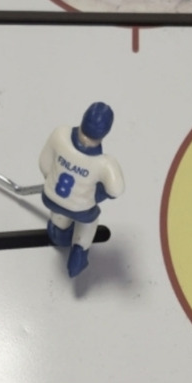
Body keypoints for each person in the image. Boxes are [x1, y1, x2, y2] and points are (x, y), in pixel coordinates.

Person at [39, 102, 124, 278]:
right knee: (89, 222)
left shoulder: (60, 134)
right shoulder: (104, 163)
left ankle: (59, 233)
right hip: (80, 209)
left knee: (60, 214)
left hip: (50, 197)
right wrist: (96, 195)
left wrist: (53, 179)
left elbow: (44, 163)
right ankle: (80, 248)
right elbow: (116, 190)